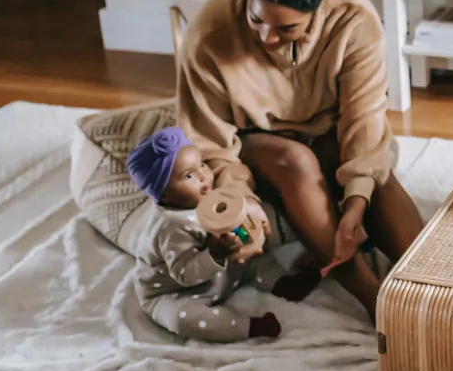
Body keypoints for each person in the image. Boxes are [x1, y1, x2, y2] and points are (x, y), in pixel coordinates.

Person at [177, 0, 425, 321]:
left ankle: (435, 287)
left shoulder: (354, 20)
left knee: (378, 180)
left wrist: (356, 202)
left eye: (286, 28)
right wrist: (240, 203)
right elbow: (209, 141)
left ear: (317, 8)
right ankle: (377, 304)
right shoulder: (211, 28)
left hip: (332, 131)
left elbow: (364, 122)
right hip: (258, 140)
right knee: (295, 160)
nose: (266, 38)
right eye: (256, 19)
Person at [126, 126, 321, 342]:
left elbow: (236, 224)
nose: (204, 177)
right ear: (164, 195)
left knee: (255, 258)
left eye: (202, 164)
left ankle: (283, 284)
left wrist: (249, 233)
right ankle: (247, 327)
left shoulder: (208, 194)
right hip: (179, 291)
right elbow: (185, 274)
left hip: (219, 273)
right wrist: (214, 253)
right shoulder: (170, 228)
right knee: (183, 319)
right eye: (189, 175)